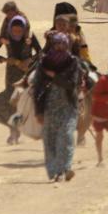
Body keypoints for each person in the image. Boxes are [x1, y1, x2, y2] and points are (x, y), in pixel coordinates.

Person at [0, 16, 41, 144]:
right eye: (14, 31)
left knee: (29, 100)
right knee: (12, 102)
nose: (17, 33)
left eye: (19, 31)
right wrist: (6, 60)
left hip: (27, 71)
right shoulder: (5, 37)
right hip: (12, 73)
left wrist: (30, 60)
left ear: (24, 29)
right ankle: (14, 133)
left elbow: (40, 52)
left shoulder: (30, 37)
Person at [33, 33, 85, 182]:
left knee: (67, 136)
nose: (59, 47)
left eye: (62, 44)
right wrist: (38, 111)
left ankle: (65, 169)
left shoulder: (73, 62)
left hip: (68, 105)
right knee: (51, 139)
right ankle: (54, 171)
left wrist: (54, 76)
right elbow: (37, 87)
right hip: (49, 106)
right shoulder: (44, 62)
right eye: (57, 44)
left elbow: (72, 84)